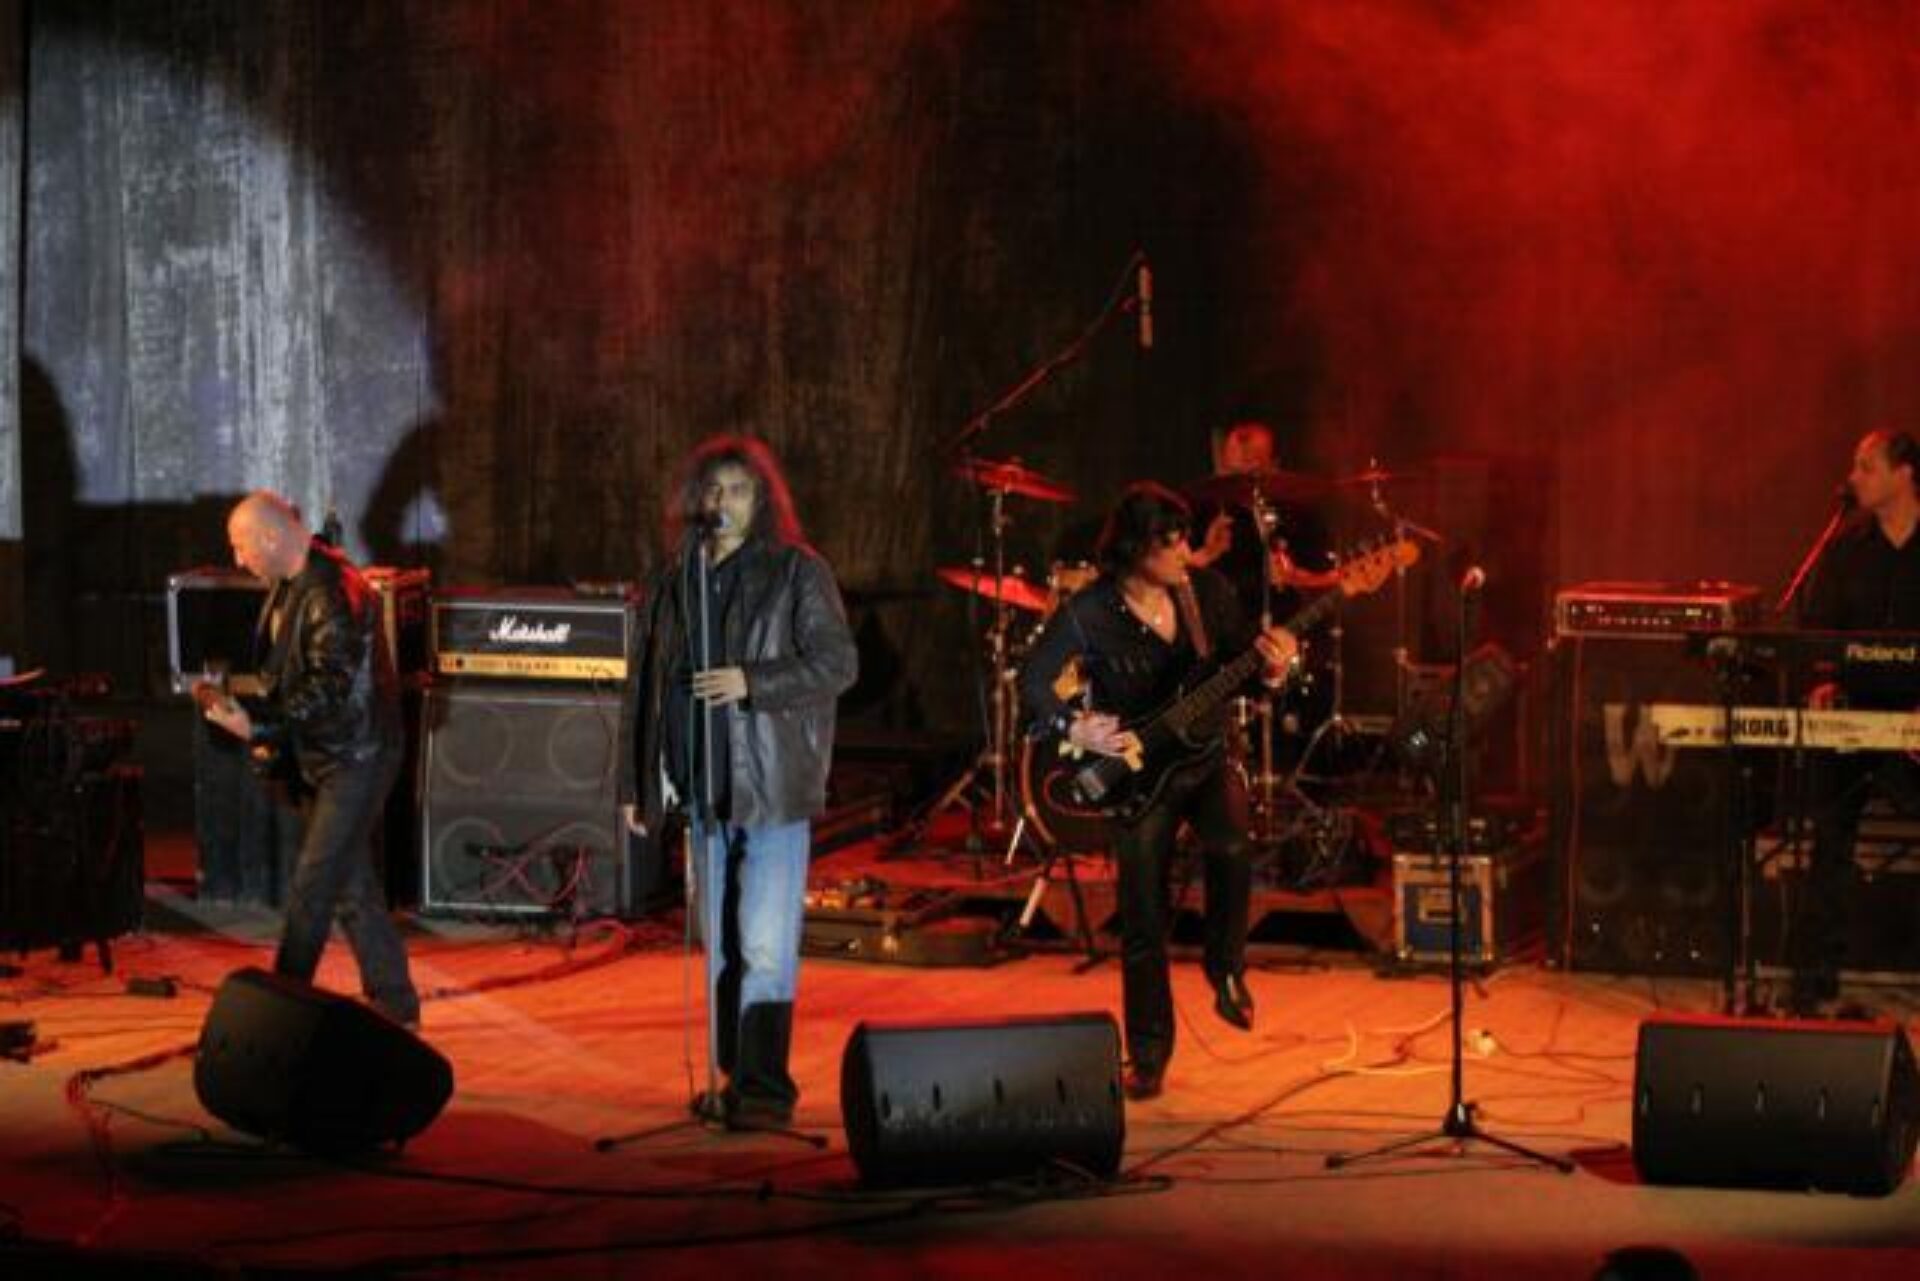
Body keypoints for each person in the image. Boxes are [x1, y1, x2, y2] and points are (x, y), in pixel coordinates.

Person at [1018, 482, 1297, 1099]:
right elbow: (1034, 682)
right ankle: (1147, 1056)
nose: (1184, 552)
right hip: (1138, 772)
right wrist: (1072, 725)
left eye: (1183, 540)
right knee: (1142, 916)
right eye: (1171, 543)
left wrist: (1276, 666)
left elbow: (1246, 670)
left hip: (1206, 755)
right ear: (1136, 549)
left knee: (1232, 845)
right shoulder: (1089, 611)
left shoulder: (1206, 593)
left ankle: (1226, 970)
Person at [628, 436, 858, 1128]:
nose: (722, 501)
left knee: (763, 942)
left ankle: (764, 1091)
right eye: (713, 489)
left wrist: (752, 682)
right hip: (702, 787)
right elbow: (646, 685)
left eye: (738, 489)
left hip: (771, 787)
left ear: (762, 501)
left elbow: (837, 663)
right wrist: (638, 784)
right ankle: (731, 1079)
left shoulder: (796, 570)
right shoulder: (678, 579)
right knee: (720, 946)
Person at [201, 491, 419, 1027]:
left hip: (357, 756)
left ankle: (278, 1010)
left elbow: (328, 689)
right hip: (330, 752)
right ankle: (396, 1001)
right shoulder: (295, 580)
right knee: (348, 880)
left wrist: (257, 725)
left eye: (241, 547)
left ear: (271, 537)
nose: (238, 560)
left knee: (313, 885)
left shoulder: (331, 590)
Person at [1792, 429, 1920, 1016]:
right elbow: (1821, 628)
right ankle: (1813, 979)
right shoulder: (1846, 548)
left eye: (1867, 467)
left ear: (1904, 474)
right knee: (1828, 835)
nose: (1854, 478)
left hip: (1916, 722)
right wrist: (1824, 679)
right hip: (1857, 714)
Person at [1186, 420, 1336, 626]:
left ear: (1274, 465)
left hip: (1289, 627)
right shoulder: (1200, 514)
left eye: (1254, 469)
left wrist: (1295, 577)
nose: (1244, 484)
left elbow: (1330, 577)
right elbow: (1173, 578)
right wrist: (1207, 552)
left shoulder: (1299, 517)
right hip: (1219, 629)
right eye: (1232, 475)